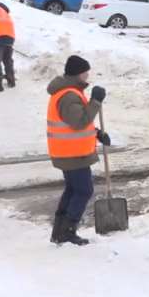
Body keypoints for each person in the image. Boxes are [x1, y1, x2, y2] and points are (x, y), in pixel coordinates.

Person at [46, 55, 110, 246]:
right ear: (77, 74)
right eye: (85, 72)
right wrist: (96, 101)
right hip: (72, 153)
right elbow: (79, 122)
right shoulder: (68, 95)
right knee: (83, 191)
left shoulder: (69, 92)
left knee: (73, 190)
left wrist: (96, 133)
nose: (87, 75)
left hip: (69, 151)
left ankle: (59, 232)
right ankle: (67, 231)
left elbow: (77, 122)